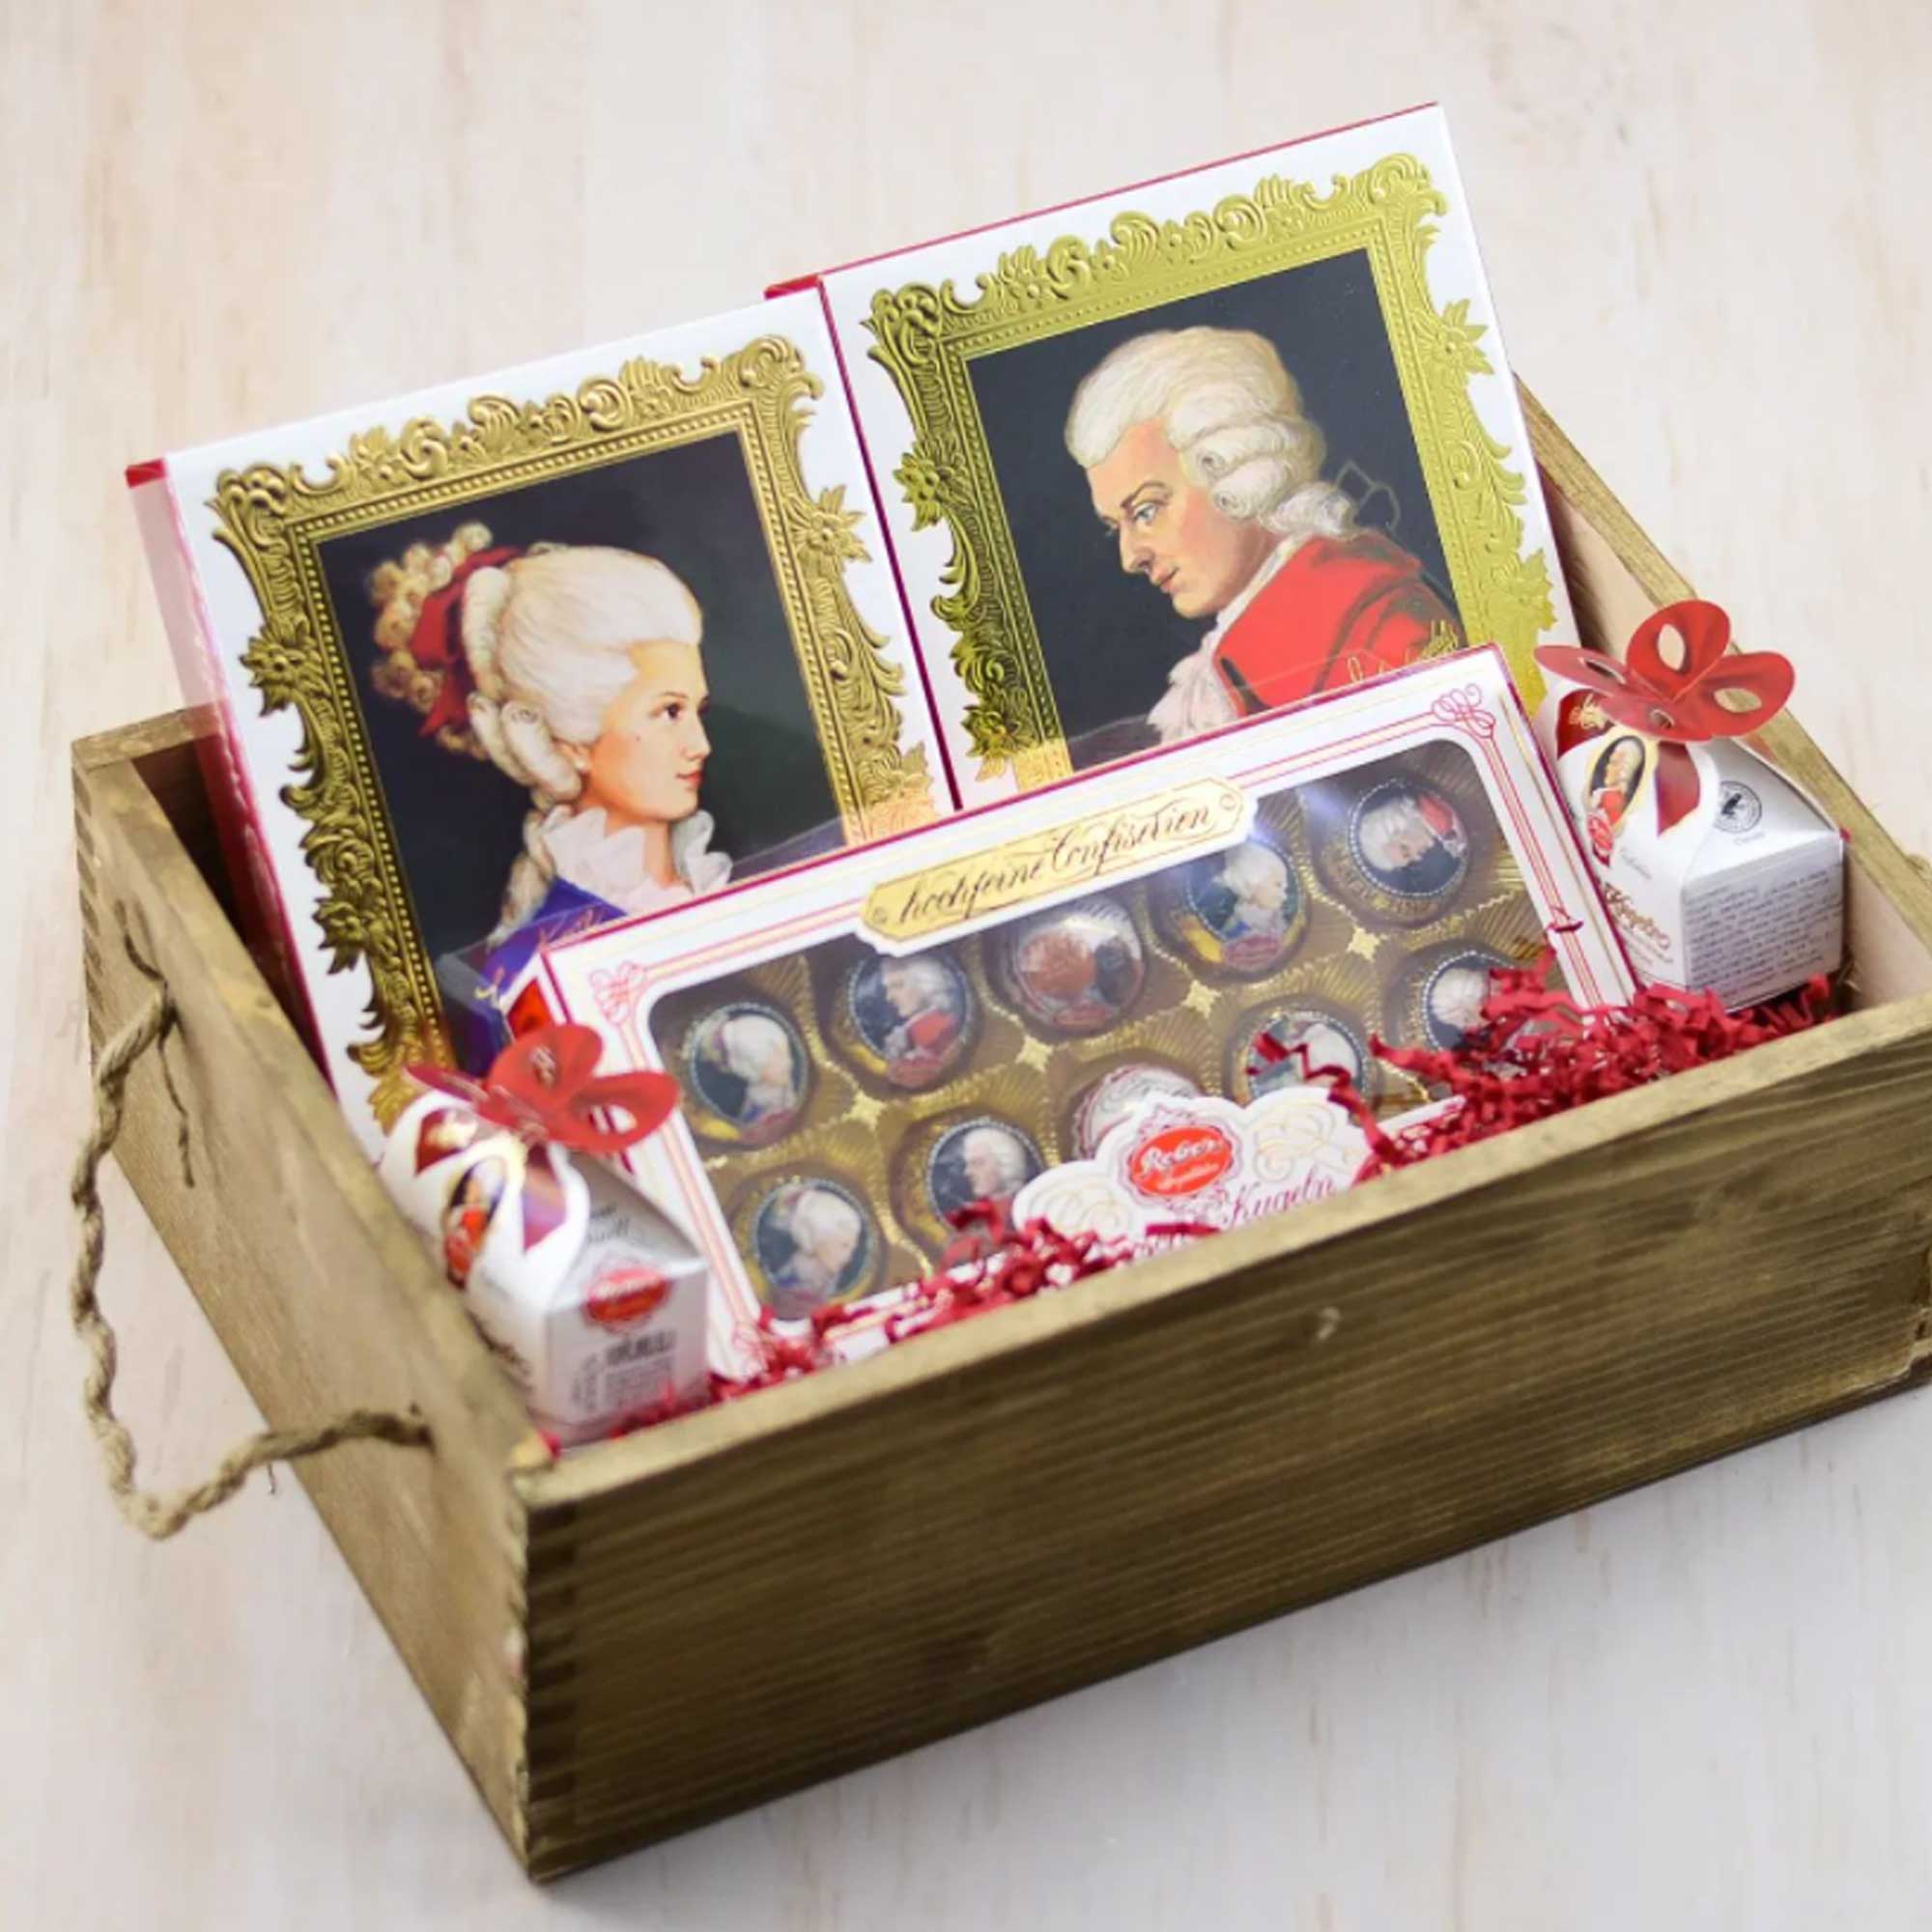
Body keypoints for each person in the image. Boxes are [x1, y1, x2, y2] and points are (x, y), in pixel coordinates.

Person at [1065, 327, 1462, 746]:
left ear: (1234, 467)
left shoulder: (1383, 631)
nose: (1130, 557)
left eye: (1147, 511)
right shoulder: (1226, 666)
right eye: (1116, 527)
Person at [368, 524, 729, 941]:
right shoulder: (552, 945)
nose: (701, 745)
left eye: (698, 710)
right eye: (670, 712)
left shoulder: (706, 882)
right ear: (572, 744)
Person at [696, 1009, 802, 1133]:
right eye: (778, 1056)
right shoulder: (759, 1106)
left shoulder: (785, 1099)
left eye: (785, 1054)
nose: (789, 1062)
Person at [767, 1185, 866, 1318]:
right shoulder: (789, 1281)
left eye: (852, 1248)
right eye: (844, 1246)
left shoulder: (829, 1281)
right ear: (817, 1238)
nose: (849, 1257)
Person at [1355, 788, 1467, 895]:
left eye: (1406, 851)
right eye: (1411, 860)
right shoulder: (1444, 832)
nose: (1418, 857)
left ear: (1397, 826)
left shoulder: (1438, 809)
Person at [874, 955, 964, 1076]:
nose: (889, 997)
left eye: (898, 986)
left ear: (927, 983)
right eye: (888, 988)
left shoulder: (943, 1032)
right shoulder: (909, 1034)